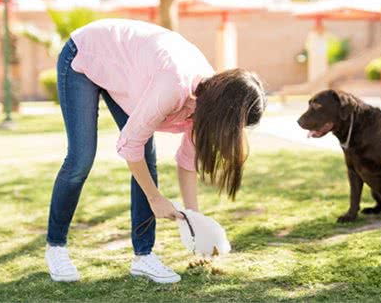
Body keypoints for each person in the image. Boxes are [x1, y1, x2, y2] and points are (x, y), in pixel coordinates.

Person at [44, 19, 266, 284]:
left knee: (146, 160)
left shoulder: (209, 103)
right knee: (81, 158)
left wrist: (194, 223)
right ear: (223, 112)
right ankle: (56, 247)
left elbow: (187, 161)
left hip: (130, 71)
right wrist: (155, 198)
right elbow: (130, 144)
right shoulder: (174, 85)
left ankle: (143, 257)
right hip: (86, 54)